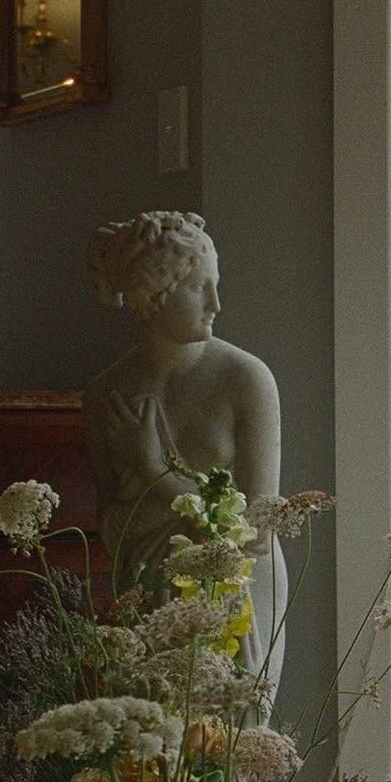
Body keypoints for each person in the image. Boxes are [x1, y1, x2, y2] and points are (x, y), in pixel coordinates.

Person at [83, 211, 287, 698]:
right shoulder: (106, 394)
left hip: (237, 598)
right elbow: (113, 531)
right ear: (155, 297)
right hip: (149, 596)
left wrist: (154, 472)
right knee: (154, 762)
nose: (216, 303)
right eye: (200, 289)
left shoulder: (245, 380)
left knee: (229, 760)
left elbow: (256, 531)